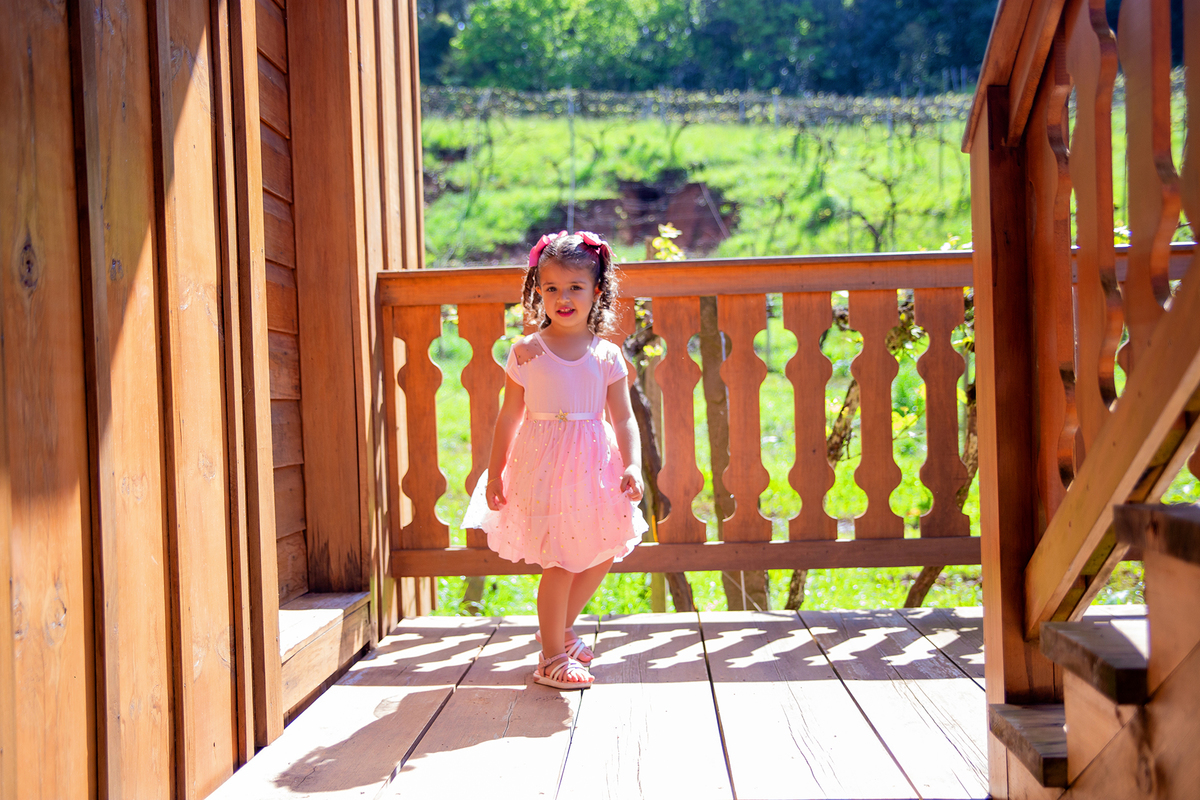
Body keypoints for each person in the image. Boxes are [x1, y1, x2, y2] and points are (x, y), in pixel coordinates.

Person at [461, 230, 645, 690]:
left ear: (597, 291)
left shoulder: (607, 355)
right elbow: (509, 416)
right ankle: (551, 658)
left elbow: (624, 418)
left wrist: (632, 464)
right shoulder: (527, 352)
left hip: (594, 469)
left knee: (604, 549)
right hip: (544, 466)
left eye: (575, 288)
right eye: (552, 288)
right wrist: (495, 469)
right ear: (537, 291)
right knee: (560, 561)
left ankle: (559, 630)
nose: (563, 298)